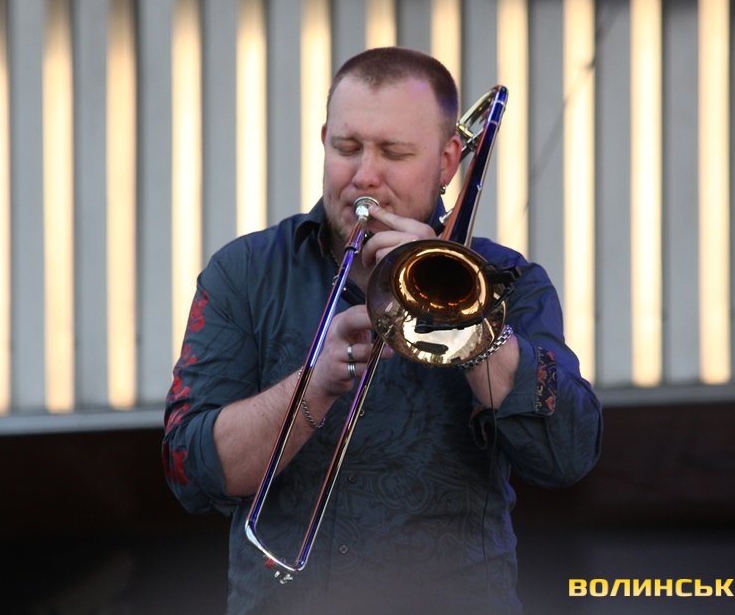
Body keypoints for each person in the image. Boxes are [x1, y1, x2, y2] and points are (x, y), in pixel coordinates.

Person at [162, 46, 602, 615]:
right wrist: (314, 384)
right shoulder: (245, 274)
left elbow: (567, 456)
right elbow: (190, 473)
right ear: (324, 140)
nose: (364, 175)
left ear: (447, 162)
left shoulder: (509, 282)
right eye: (347, 148)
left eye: (394, 153)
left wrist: (471, 327)